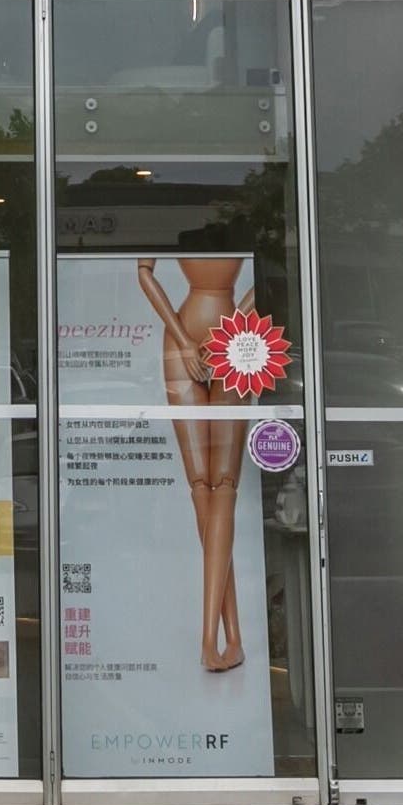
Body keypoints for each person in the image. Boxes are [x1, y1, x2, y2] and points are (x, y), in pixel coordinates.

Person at [134, 256, 254, 674]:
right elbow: (144, 270)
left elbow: (144, 270)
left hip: (217, 334)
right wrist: (195, 337)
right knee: (209, 484)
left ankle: (220, 639)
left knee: (215, 484)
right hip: (212, 331)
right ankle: (223, 638)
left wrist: (191, 336)